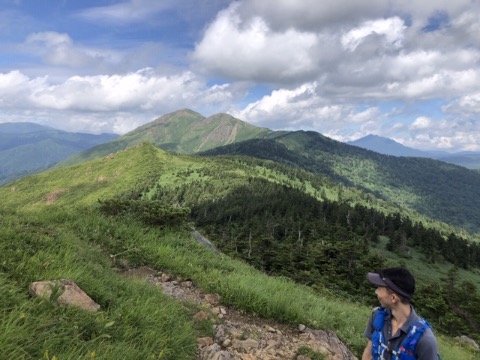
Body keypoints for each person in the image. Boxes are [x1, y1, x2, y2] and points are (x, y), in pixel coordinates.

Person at [362, 267, 438, 360]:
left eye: (379, 288)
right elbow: (369, 353)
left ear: (393, 298)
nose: (376, 292)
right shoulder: (377, 316)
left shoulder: (425, 340)